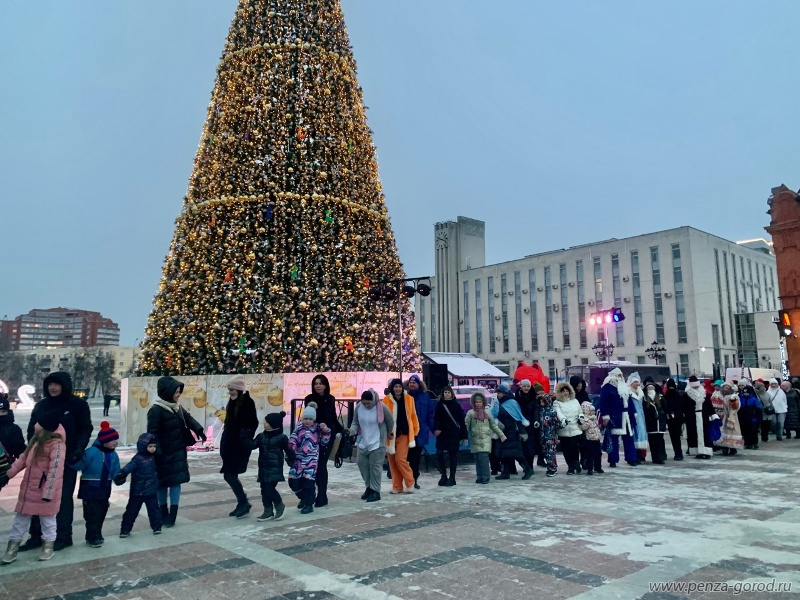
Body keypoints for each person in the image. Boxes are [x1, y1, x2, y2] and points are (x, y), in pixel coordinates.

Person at [19, 371, 92, 553]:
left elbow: (85, 428)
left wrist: (78, 449)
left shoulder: (78, 405)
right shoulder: (42, 406)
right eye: (50, 384)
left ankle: (63, 536)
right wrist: (34, 449)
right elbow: (32, 430)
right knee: (37, 496)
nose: (52, 387)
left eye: (56, 384)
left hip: (66, 460)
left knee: (62, 498)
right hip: (42, 461)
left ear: (64, 385)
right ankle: (36, 536)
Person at [0, 413, 66, 563]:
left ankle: (48, 547)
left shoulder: (57, 445)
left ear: (45, 427)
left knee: (48, 521)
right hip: (28, 489)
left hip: (45, 491)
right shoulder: (36, 441)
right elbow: (22, 459)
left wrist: (48, 492)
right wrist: (7, 475)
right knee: (20, 520)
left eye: (38, 423)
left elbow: (55, 470)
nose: (35, 425)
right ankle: (12, 549)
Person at [148, 376, 206, 528]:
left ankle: (172, 514)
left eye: (179, 391)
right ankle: (163, 512)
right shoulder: (156, 410)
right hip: (162, 453)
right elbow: (152, 433)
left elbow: (189, 419)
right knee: (162, 484)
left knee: (175, 482)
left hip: (178, 452)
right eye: (176, 391)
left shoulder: (177, 407)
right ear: (167, 392)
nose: (178, 394)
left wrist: (199, 429)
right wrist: (157, 451)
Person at [71, 421, 121, 548]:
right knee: (91, 513)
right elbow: (80, 465)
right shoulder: (91, 452)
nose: (116, 442)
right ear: (105, 440)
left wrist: (119, 477)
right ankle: (92, 536)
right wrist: (73, 460)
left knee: (102, 511)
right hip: (90, 487)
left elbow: (115, 470)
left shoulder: (113, 454)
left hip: (105, 488)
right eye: (113, 440)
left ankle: (97, 533)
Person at [220, 375, 258, 518]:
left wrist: (244, 437)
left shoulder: (247, 403)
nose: (230, 392)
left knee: (229, 474)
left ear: (239, 389)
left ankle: (243, 502)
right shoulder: (232, 402)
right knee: (230, 474)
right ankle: (242, 502)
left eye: (232, 390)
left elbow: (253, 423)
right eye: (229, 390)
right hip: (230, 445)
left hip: (239, 446)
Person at [245, 411, 294, 520]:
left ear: (274, 424)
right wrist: (244, 438)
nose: (264, 424)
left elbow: (289, 450)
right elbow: (252, 445)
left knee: (269, 488)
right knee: (264, 489)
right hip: (263, 467)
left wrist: (293, 461)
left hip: (275, 468)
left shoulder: (282, 437)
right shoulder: (261, 436)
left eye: (267, 422)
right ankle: (268, 510)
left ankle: (279, 505)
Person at [303, 374, 343, 507]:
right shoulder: (309, 399)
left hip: (327, 435)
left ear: (325, 385)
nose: (318, 386)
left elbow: (333, 417)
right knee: (311, 466)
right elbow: (308, 418)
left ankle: (322, 495)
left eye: (320, 383)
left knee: (321, 465)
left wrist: (341, 430)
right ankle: (309, 495)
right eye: (316, 384)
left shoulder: (330, 399)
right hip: (313, 435)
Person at [347, 390, 393, 502]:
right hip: (363, 442)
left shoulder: (381, 407)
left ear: (373, 400)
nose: (367, 405)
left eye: (369, 403)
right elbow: (355, 422)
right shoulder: (358, 407)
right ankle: (369, 487)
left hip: (377, 442)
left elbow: (390, 421)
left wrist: (387, 432)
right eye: (364, 403)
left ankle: (376, 491)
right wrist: (351, 431)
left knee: (375, 467)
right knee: (362, 464)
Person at [115, 433, 162, 536]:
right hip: (138, 491)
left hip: (151, 490)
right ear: (143, 446)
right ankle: (125, 530)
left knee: (154, 510)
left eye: (154, 446)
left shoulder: (154, 458)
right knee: (132, 511)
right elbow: (129, 467)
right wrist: (122, 473)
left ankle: (156, 527)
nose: (153, 449)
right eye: (150, 446)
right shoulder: (137, 459)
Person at [288, 403, 331, 514]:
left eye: (310, 419)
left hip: (311, 461)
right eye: (305, 418)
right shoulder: (298, 428)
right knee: (293, 481)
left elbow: (324, 442)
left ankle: (308, 503)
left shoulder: (317, 429)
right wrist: (290, 452)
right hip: (298, 459)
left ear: (314, 419)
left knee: (308, 482)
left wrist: (326, 431)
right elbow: (292, 440)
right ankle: (303, 497)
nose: (307, 421)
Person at [382, 379, 420, 494]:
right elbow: (383, 418)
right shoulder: (385, 400)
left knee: (400, 459)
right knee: (392, 463)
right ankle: (397, 486)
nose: (397, 388)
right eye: (395, 386)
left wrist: (415, 430)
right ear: (392, 388)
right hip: (390, 436)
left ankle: (410, 482)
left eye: (399, 386)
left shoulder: (409, 399)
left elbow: (413, 415)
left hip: (404, 434)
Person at [492, 385, 534, 480]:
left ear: (504, 393)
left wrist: (522, 431)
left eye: (499, 393)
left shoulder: (512, 403)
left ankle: (528, 469)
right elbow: (493, 415)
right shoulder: (497, 403)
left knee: (516, 453)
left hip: (512, 432)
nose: (498, 395)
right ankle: (505, 473)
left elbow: (518, 417)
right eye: (497, 393)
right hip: (502, 431)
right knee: (504, 454)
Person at [598, 368, 638, 467]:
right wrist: (606, 417)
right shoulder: (607, 387)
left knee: (629, 438)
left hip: (627, 416)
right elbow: (603, 403)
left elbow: (630, 402)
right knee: (613, 440)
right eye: (618, 375)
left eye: (621, 375)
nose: (620, 377)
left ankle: (631, 458)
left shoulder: (625, 387)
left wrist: (634, 413)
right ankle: (613, 460)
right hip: (615, 416)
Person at [465, 392, 506, 484]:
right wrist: (463, 437)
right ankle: (479, 476)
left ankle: (485, 477)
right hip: (475, 439)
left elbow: (493, 425)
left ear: (483, 402)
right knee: (477, 459)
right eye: (476, 402)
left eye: (480, 402)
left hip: (486, 439)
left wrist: (501, 435)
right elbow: (466, 425)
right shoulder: (470, 413)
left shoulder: (487, 412)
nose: (478, 404)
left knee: (483, 459)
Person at [433, 385, 468, 486]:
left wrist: (464, 436)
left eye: (448, 392)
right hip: (442, 434)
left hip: (453, 434)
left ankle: (452, 477)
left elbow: (461, 421)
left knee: (453, 456)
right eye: (445, 392)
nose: (447, 394)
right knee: (439, 453)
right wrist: (436, 428)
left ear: (452, 394)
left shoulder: (456, 405)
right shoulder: (439, 405)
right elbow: (436, 418)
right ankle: (443, 475)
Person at [405, 375, 434, 489]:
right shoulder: (404, 396)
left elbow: (430, 415)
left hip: (420, 433)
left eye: (414, 383)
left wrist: (433, 428)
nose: (412, 385)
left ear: (419, 384)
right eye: (410, 383)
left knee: (416, 459)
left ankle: (414, 480)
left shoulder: (425, 397)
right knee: (406, 457)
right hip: (406, 432)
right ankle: (406, 479)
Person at [553, 382, 583, 474]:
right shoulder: (556, 402)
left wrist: (581, 417)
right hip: (564, 428)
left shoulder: (575, 401)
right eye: (563, 391)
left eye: (567, 391)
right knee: (566, 449)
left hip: (575, 428)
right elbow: (558, 412)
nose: (565, 393)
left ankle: (576, 463)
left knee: (574, 448)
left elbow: (580, 411)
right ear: (559, 392)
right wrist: (563, 420)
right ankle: (570, 466)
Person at [685, 376, 716, 459]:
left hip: (704, 416)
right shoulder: (686, 394)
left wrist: (713, 415)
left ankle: (706, 451)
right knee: (694, 435)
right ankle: (698, 451)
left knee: (705, 434)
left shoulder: (704, 393)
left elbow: (709, 405)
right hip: (692, 418)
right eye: (694, 386)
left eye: (697, 386)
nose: (696, 387)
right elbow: (683, 407)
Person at [515, 380, 540, 471]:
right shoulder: (517, 396)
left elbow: (536, 410)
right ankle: (525, 465)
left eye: (528, 386)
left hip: (532, 424)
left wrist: (536, 420)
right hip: (520, 423)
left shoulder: (534, 396)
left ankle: (530, 466)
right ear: (521, 386)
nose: (526, 388)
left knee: (531, 447)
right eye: (524, 386)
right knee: (522, 447)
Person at [642, 382, 668, 464]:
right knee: (652, 442)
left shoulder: (660, 398)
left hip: (660, 423)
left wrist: (663, 415)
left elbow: (665, 407)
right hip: (651, 423)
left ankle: (660, 457)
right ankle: (655, 457)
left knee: (660, 441)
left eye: (652, 388)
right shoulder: (644, 399)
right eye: (649, 388)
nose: (651, 389)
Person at [537, 391, 560, 477]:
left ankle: (552, 468)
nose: (541, 403)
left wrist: (554, 430)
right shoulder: (540, 412)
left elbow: (558, 423)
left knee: (551, 453)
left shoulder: (552, 412)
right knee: (545, 452)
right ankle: (550, 467)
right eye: (540, 402)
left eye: (543, 401)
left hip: (551, 436)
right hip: (542, 435)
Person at [717, 382, 743, 455]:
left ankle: (733, 448)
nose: (726, 387)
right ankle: (724, 447)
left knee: (732, 432)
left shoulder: (734, 396)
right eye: (725, 386)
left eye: (728, 386)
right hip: (722, 415)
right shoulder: (719, 395)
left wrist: (733, 401)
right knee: (723, 432)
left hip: (732, 416)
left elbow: (736, 407)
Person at [627, 373, 648, 464]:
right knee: (634, 435)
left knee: (641, 434)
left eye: (638, 382)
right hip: (633, 416)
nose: (637, 384)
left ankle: (640, 455)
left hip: (641, 416)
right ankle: (634, 456)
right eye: (635, 382)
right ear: (631, 383)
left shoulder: (640, 392)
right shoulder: (628, 392)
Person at [0, 392, 26, 464]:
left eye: (3, 411)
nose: (1, 414)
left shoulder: (14, 429)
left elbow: (19, 449)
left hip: (6, 468)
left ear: (8, 411)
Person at [578, 400, 603, 474]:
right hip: (589, 439)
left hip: (597, 438)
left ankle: (598, 467)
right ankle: (590, 469)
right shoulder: (586, 419)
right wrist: (582, 423)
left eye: (593, 411)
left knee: (598, 454)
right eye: (591, 411)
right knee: (590, 455)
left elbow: (597, 427)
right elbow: (583, 427)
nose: (593, 412)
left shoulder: (595, 418)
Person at [662, 379, 684, 460]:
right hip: (678, 418)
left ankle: (677, 453)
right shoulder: (678, 394)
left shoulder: (666, 394)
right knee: (677, 436)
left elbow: (665, 406)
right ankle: (679, 453)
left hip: (671, 418)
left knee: (673, 437)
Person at [738, 385, 762, 450]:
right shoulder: (740, 398)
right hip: (743, 418)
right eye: (744, 393)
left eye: (747, 393)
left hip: (752, 418)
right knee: (745, 431)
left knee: (753, 431)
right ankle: (747, 443)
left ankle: (754, 443)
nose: (745, 394)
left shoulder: (753, 399)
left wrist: (759, 418)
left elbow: (759, 409)